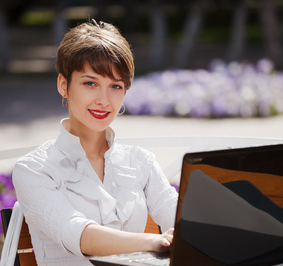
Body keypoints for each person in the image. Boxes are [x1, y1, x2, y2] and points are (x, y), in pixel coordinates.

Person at [12, 19, 178, 266]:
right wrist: (152, 242)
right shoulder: (35, 169)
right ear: (63, 85)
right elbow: (79, 235)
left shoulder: (139, 161)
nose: (103, 99)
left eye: (115, 86)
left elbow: (183, 219)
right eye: (90, 83)